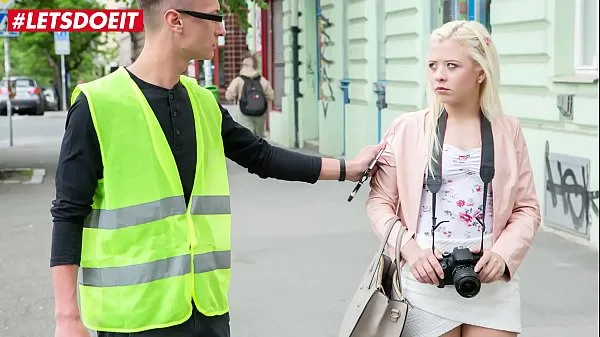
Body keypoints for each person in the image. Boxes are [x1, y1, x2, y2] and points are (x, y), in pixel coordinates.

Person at [49, 1, 384, 337]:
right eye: (215, 17)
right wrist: (67, 318)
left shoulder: (203, 102)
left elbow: (260, 156)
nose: (222, 29)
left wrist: (348, 168)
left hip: (205, 311)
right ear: (175, 20)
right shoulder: (97, 104)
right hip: (133, 317)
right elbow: (68, 212)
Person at [366, 20, 541, 337]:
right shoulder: (407, 128)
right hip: (423, 278)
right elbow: (379, 203)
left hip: (490, 281)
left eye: (451, 65)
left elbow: (527, 208)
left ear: (480, 72)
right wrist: (411, 251)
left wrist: (503, 256)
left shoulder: (508, 129)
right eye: (432, 65)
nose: (439, 75)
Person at [225, 54, 274, 137]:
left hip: (243, 113)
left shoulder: (238, 80)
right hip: (260, 113)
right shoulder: (262, 80)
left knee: (246, 138)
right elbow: (271, 96)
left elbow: (229, 96)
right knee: (259, 140)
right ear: (255, 66)